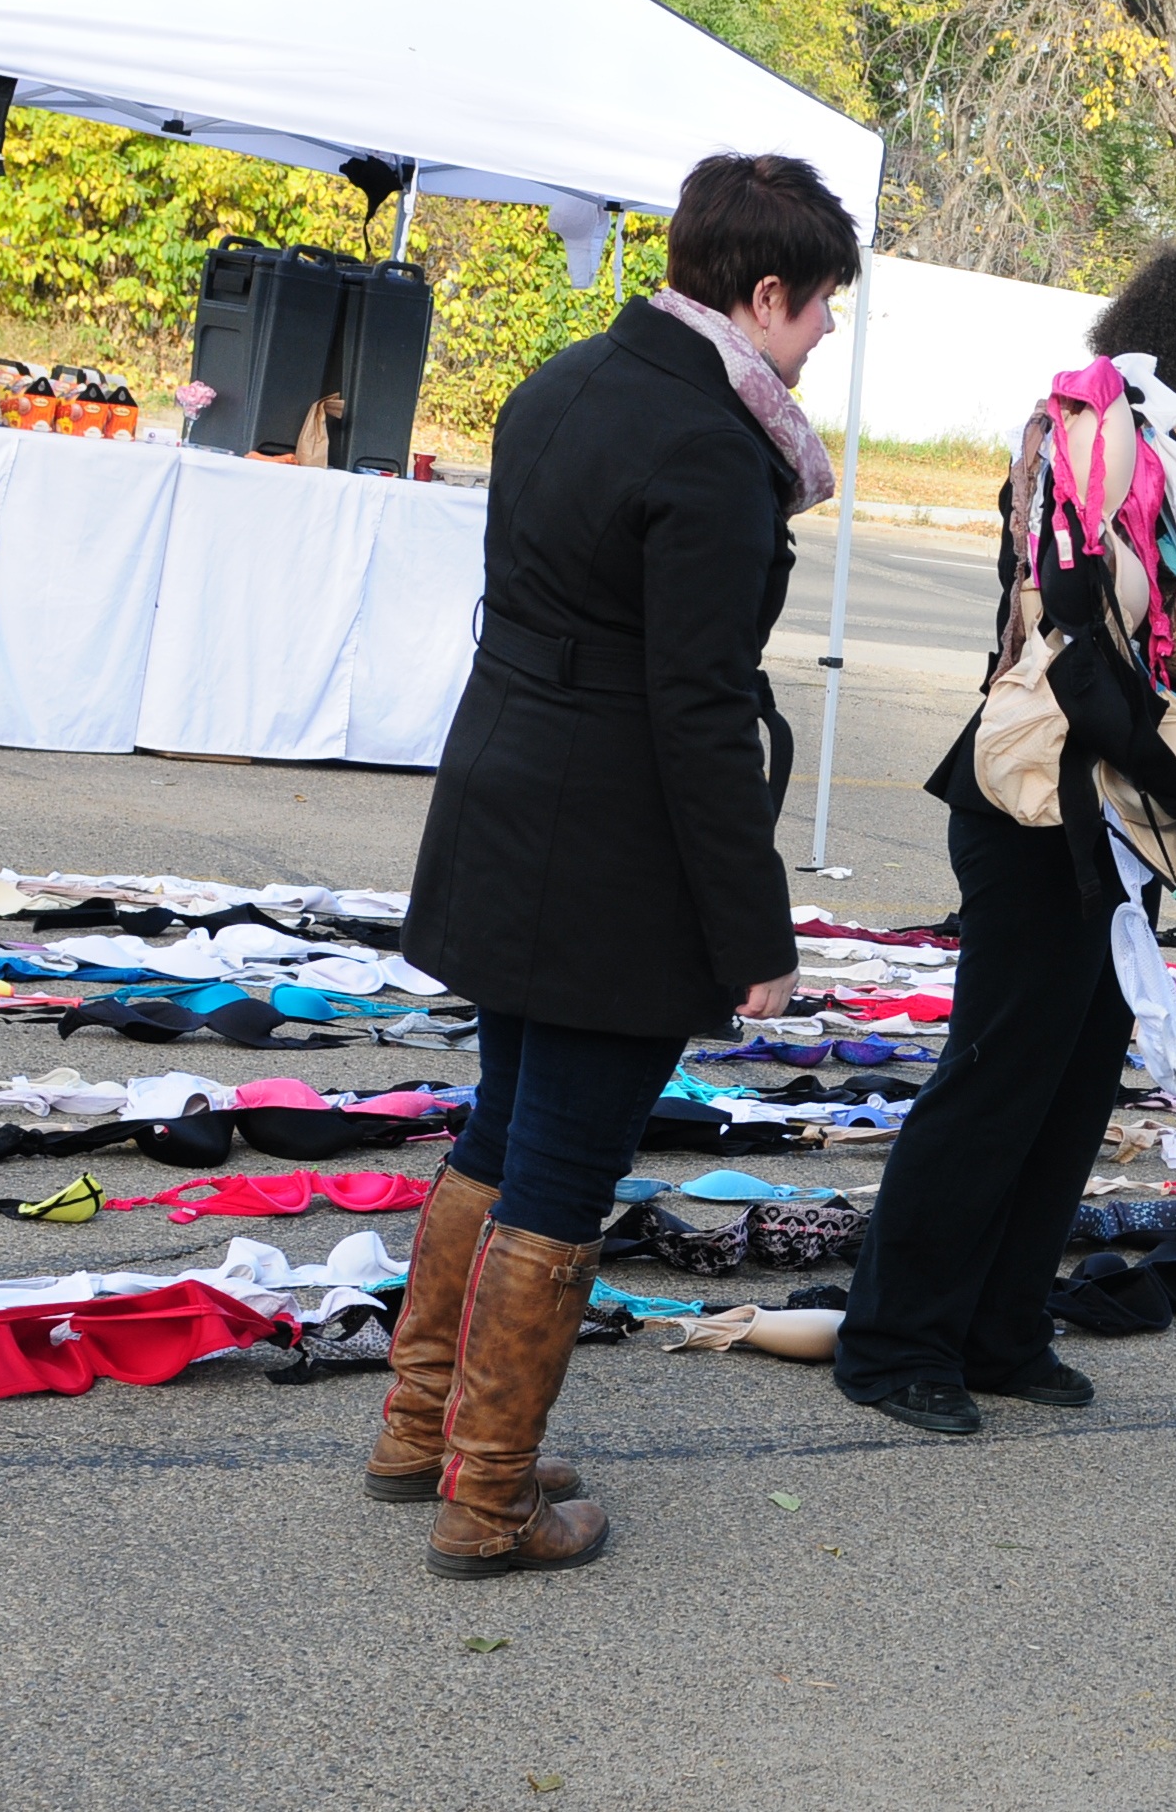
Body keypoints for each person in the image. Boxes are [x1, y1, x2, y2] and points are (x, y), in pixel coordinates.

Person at [376, 153, 860, 1576]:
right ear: (764, 293)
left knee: (503, 1123)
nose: (826, 334)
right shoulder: (708, 450)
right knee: (563, 1165)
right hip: (607, 846)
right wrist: (755, 927)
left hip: (510, 797)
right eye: (822, 306)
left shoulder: (565, 380)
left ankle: (426, 1430)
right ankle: (488, 1495)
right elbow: (696, 710)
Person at [836, 244, 1176, 1436]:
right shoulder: (1094, 445)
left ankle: (1000, 1327)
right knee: (995, 1080)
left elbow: (1173, 646)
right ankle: (894, 1343)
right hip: (1045, 812)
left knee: (1077, 1080)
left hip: (1117, 822)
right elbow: (1085, 653)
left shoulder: (1163, 463)